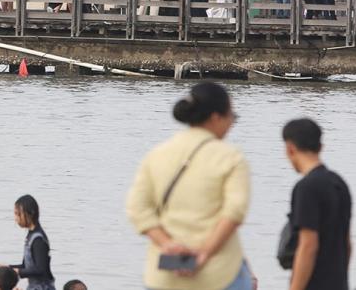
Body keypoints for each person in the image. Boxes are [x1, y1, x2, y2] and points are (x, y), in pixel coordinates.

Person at [126, 81, 252, 290]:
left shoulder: (157, 154)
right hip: (219, 273)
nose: (231, 123)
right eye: (232, 117)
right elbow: (234, 212)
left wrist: (168, 244)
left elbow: (137, 208)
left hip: (165, 275)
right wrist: (204, 253)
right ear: (216, 117)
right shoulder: (231, 158)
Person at [282, 118, 351, 290]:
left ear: (290, 149)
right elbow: (347, 243)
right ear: (320, 147)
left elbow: (308, 245)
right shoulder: (340, 184)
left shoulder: (306, 188)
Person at [0, 194, 55, 290]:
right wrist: (3, 267)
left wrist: (17, 271)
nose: (16, 218)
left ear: (30, 213)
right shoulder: (30, 236)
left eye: (18, 214)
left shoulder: (38, 239)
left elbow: (41, 269)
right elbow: (25, 266)